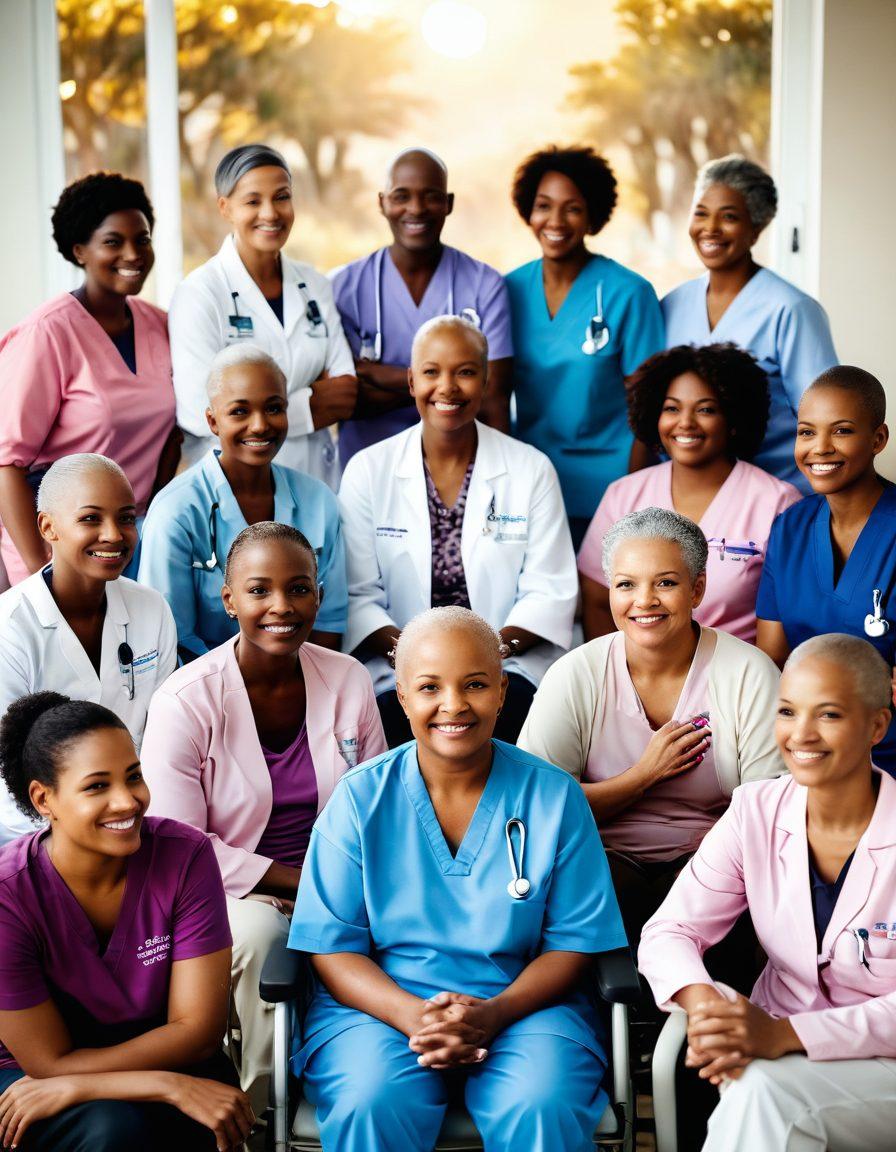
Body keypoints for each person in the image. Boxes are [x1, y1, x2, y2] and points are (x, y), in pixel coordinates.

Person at [288, 606, 627, 1152]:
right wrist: (414, 1016)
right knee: (372, 1100)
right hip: (379, 1011)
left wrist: (495, 1013)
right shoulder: (359, 799)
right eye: (429, 687)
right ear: (401, 697)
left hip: (524, 1008)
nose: (453, 705)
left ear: (501, 691)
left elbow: (574, 943)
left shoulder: (554, 796)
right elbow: (332, 947)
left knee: (540, 1104)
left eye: (474, 684)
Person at [141, 522, 386, 1113]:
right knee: (260, 936)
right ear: (229, 600)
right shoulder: (185, 699)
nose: (282, 606)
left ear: (319, 595)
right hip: (219, 891)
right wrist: (299, 884)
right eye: (259, 591)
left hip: (338, 880)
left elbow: (376, 806)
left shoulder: (348, 677)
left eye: (299, 588)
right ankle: (265, 1109)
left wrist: (336, 884)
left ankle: (362, 1081)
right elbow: (179, 845)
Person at [639, 634, 896, 1152]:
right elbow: (670, 930)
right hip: (770, 1054)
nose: (801, 734)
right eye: (786, 711)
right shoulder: (755, 810)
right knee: (762, 1092)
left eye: (828, 715)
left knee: (764, 1096)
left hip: (881, 1064)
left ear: (876, 726)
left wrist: (785, 1037)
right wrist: (712, 1011)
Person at [0, 692, 253, 1152]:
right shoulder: (6, 897)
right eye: (97, 786)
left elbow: (197, 1032)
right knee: (112, 1131)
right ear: (44, 799)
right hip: (28, 1082)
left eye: (133, 776)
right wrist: (166, 1086)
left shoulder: (184, 855)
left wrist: (159, 1082)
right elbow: (47, 1063)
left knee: (212, 1113)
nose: (127, 801)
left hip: (167, 1054)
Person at [519, 507, 783, 944]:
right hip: (600, 861)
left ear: (697, 589)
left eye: (666, 582)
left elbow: (770, 815)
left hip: (715, 864)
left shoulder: (749, 674)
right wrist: (642, 777)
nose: (644, 601)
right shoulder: (575, 673)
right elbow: (537, 809)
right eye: (626, 585)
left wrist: (703, 872)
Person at [339, 314, 576, 747]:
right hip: (397, 670)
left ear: (486, 382)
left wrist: (482, 658)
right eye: (432, 372)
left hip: (508, 668)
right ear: (411, 381)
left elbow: (548, 591)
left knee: (510, 720)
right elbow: (358, 595)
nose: (447, 387)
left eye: (465, 372)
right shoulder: (368, 470)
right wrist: (417, 659)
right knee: (393, 727)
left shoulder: (530, 469)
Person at [0, 172, 178, 585]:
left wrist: (149, 515)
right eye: (113, 241)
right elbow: (6, 463)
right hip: (56, 548)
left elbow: (172, 434)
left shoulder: (161, 325)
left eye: (143, 239)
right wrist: (41, 570)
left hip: (126, 543)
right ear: (80, 250)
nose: (133, 253)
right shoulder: (47, 333)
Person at [0, 455, 176, 845]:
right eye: (91, 519)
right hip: (39, 840)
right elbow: (5, 784)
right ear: (48, 527)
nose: (113, 534)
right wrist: (72, 844)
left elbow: (163, 740)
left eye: (126, 518)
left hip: (137, 822)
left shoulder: (152, 609)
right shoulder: (10, 627)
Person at [578, 344, 801, 644]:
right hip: (636, 679)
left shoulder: (778, 502)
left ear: (734, 419)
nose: (685, 422)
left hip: (736, 680)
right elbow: (595, 599)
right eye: (672, 408)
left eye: (706, 409)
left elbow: (786, 619)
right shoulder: (624, 495)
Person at [138, 344, 347, 661]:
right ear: (212, 421)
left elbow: (329, 622)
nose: (260, 425)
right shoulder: (176, 511)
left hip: (302, 681)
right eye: (239, 411)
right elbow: (170, 638)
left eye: (274, 408)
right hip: (207, 690)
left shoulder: (318, 501)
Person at [168, 143, 356, 485]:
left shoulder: (314, 284)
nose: (270, 213)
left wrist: (243, 409)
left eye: (281, 197)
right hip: (234, 485)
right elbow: (199, 412)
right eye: (253, 201)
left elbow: (344, 393)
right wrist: (310, 405)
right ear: (224, 207)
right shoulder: (200, 294)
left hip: (315, 480)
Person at [505, 145, 665, 545]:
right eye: (543, 205)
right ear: (528, 210)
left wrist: (634, 499)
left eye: (572, 208)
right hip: (532, 485)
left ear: (593, 215)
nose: (555, 221)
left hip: (609, 488)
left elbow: (647, 409)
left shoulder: (628, 293)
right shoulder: (506, 291)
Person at [663, 154, 838, 492]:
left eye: (728, 217)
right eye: (701, 213)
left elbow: (822, 419)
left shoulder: (791, 309)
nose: (710, 228)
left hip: (774, 495)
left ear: (755, 229)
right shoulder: (671, 304)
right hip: (688, 493)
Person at [332, 147, 514, 463]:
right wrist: (456, 388)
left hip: (464, 467)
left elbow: (493, 397)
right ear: (382, 202)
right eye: (401, 196)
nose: (416, 209)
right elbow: (345, 400)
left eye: (430, 196)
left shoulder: (485, 284)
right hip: (369, 466)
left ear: (449, 203)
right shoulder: (343, 287)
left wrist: (378, 375)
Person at [757, 366, 896, 775]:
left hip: (886, 756)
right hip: (805, 751)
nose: (819, 447)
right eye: (806, 432)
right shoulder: (790, 528)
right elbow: (772, 657)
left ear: (878, 439)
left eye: (842, 431)